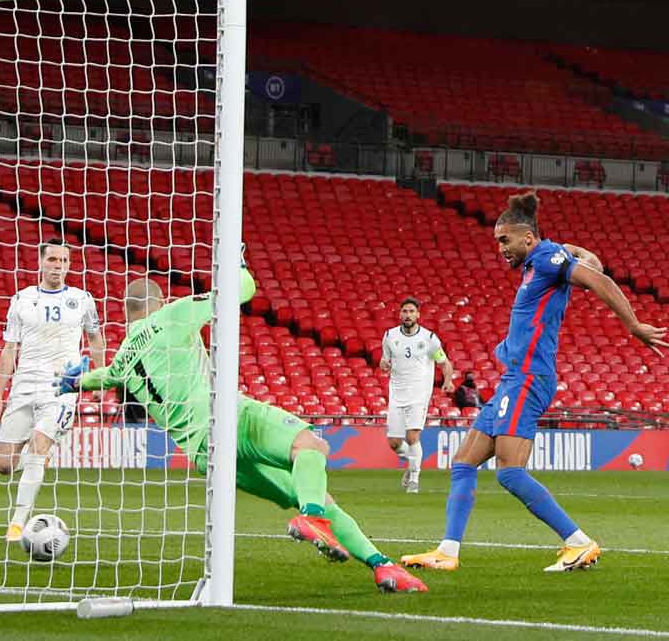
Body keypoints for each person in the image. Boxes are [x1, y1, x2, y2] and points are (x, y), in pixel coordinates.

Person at [57, 252, 428, 593]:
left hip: (204, 453)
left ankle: (381, 565)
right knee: (311, 446)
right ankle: (314, 519)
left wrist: (75, 381)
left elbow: (103, 377)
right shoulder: (172, 316)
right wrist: (237, 262)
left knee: (310, 492)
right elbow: (244, 289)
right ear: (159, 302)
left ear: (127, 312)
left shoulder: (124, 357)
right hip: (227, 416)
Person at [402, 192, 667, 573]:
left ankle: (579, 542)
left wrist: (634, 325)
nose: (500, 249)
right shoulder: (540, 260)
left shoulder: (544, 259)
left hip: (529, 379)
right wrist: (571, 249)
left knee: (510, 471)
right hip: (513, 378)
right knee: (463, 463)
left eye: (504, 240)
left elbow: (598, 279)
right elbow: (585, 259)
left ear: (527, 238)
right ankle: (447, 551)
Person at [0, 239, 106, 542]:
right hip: (24, 385)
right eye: (52, 259)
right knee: (4, 465)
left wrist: (99, 378)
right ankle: (38, 458)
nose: (58, 265)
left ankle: (17, 523)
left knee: (39, 447)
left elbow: (95, 339)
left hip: (62, 385)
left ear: (69, 265)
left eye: (64, 260)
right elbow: (9, 349)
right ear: (41, 262)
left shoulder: (82, 300)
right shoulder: (22, 299)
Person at [380, 297, 454, 494]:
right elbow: (384, 361)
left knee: (412, 436)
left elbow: (444, 362)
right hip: (397, 392)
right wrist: (384, 364)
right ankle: (412, 462)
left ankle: (414, 479)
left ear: (418, 315)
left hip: (419, 393)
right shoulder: (389, 336)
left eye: (412, 311)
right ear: (400, 314)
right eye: (405, 311)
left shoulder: (429, 339)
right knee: (394, 442)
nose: (408, 315)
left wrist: (448, 380)